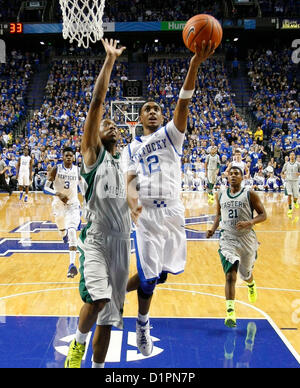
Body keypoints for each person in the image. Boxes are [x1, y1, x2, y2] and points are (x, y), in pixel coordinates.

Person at [125, 40, 216, 356]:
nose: (152, 111)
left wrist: (194, 65)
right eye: (146, 109)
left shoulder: (171, 134)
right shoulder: (131, 147)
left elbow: (183, 102)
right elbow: (129, 177)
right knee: (149, 281)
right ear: (138, 118)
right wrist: (130, 196)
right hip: (147, 215)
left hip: (173, 212)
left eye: (155, 109)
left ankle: (113, 289)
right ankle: (142, 325)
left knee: (161, 274)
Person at [64, 38, 130, 369]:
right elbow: (96, 103)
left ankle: (98, 367)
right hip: (97, 240)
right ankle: (77, 343)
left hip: (122, 244)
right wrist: (109, 61)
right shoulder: (93, 155)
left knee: (110, 316)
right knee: (99, 298)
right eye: (107, 124)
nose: (111, 125)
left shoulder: (125, 161)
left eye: (115, 124)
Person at [207, 166, 267, 328]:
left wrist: (250, 222)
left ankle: (250, 284)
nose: (233, 176)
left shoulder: (250, 194)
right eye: (231, 174)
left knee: (245, 274)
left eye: (237, 174)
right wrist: (213, 229)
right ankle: (230, 312)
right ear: (227, 177)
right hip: (228, 238)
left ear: (242, 177)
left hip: (246, 239)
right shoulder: (220, 194)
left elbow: (263, 215)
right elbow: (219, 215)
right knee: (230, 274)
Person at [44, 147, 81, 278]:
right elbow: (45, 188)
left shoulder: (77, 170)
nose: (69, 157)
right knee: (61, 228)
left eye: (71, 155)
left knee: (72, 231)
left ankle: (72, 265)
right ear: (63, 157)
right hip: (58, 204)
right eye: (66, 155)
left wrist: (88, 201)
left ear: (74, 157)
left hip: (73, 204)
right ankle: (62, 233)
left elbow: (83, 187)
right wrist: (58, 193)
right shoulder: (56, 169)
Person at [281, 151, 300, 218]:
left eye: (293, 155)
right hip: (288, 181)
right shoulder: (286, 164)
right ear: (289, 156)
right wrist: (283, 175)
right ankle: (290, 208)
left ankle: (295, 202)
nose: (292, 156)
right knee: (289, 194)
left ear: (294, 156)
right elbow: (282, 172)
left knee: (296, 196)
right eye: (291, 155)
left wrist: (299, 173)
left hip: (295, 181)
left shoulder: (298, 164)